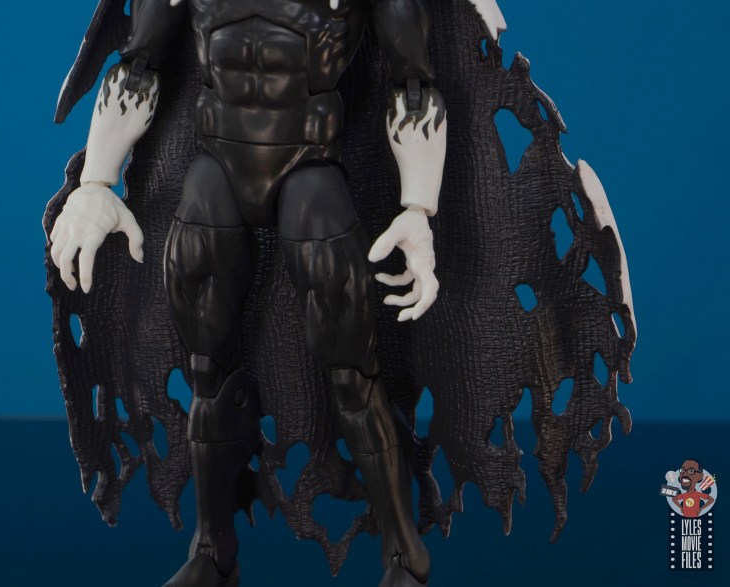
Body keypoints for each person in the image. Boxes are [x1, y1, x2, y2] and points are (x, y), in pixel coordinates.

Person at [49, 1, 447, 585]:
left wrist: (419, 207)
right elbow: (138, 65)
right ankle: (212, 550)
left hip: (311, 165)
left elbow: (412, 86)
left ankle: (404, 556)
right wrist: (96, 182)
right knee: (207, 370)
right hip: (216, 164)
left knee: (353, 373)